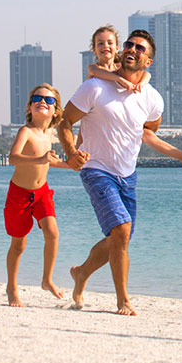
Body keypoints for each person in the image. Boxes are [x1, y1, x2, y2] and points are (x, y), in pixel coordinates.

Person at [57, 29, 163, 316]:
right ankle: (123, 300)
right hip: (95, 169)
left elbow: (151, 127)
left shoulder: (152, 97)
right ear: (121, 51)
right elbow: (64, 121)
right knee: (122, 230)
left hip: (128, 174)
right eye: (129, 44)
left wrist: (179, 154)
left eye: (140, 48)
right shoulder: (94, 87)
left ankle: (80, 274)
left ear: (148, 61)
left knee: (120, 238)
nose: (133, 49)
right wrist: (71, 153)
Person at [83, 25, 182, 168]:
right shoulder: (95, 68)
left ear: (117, 48)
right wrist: (120, 80)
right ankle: (74, 160)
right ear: (94, 50)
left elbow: (147, 74)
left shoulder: (120, 67)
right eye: (100, 43)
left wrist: (140, 84)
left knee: (146, 133)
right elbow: (101, 74)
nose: (105, 46)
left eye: (110, 43)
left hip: (115, 118)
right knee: (82, 146)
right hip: (93, 119)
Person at [4, 83, 70, 307]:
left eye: (49, 100)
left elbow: (51, 161)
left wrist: (72, 165)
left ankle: (47, 279)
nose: (43, 101)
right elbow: (13, 157)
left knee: (52, 232)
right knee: (18, 245)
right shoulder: (26, 131)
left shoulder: (51, 133)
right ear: (30, 108)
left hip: (42, 193)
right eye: (37, 98)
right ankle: (12, 288)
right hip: (20, 194)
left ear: (55, 111)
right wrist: (40, 160)